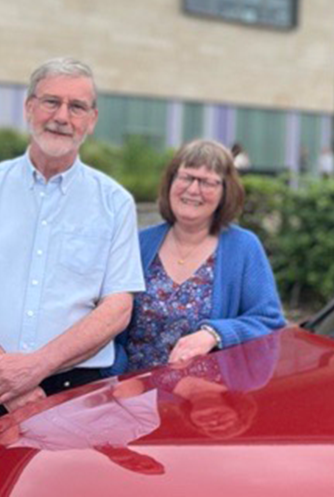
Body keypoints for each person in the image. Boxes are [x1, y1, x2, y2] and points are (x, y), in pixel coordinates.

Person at [0, 57, 144, 466]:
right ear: (29, 108)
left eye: (76, 107)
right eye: (50, 102)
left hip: (74, 394)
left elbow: (117, 308)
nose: (62, 116)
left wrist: (34, 368)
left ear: (91, 120)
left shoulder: (114, 203)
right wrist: (13, 385)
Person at [110, 139, 285, 374]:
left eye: (207, 182)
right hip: (134, 397)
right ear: (170, 182)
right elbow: (107, 322)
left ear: (225, 192)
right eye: (186, 177)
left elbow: (269, 322)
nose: (193, 190)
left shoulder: (243, 247)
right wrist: (117, 380)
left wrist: (215, 334)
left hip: (205, 401)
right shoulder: (140, 243)